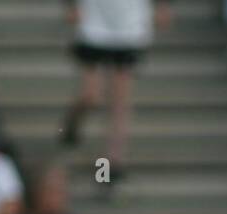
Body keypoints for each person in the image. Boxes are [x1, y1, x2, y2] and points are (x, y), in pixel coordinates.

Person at [59, 0, 172, 185]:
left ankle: (112, 163)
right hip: (94, 19)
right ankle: (72, 123)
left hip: (129, 23)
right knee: (91, 95)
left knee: (119, 100)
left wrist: (164, 6)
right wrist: (70, 6)